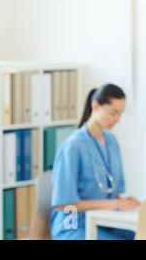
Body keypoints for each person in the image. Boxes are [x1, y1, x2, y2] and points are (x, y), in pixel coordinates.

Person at [50, 84, 139, 240]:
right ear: (95, 106)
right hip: (73, 225)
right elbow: (65, 205)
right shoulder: (72, 146)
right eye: (113, 113)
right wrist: (112, 205)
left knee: (145, 234)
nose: (117, 119)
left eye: (120, 114)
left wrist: (123, 201)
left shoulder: (112, 141)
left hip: (104, 220)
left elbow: (112, 190)